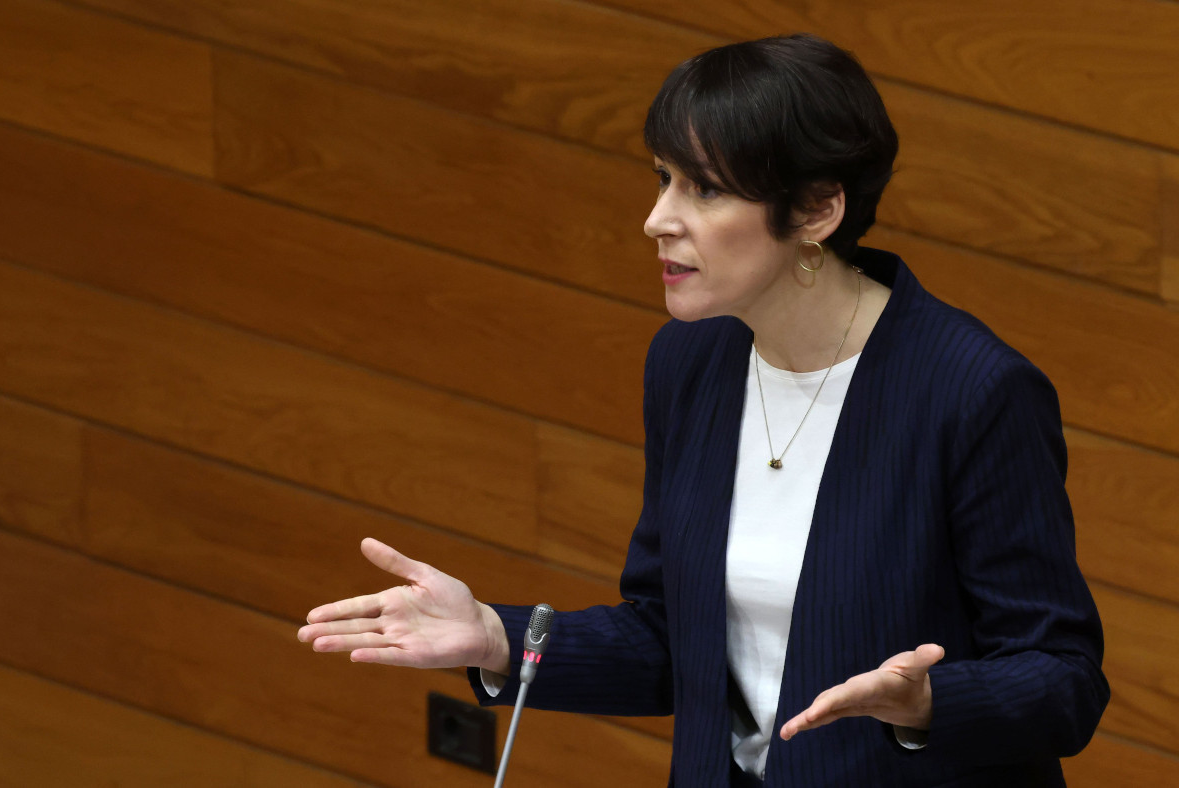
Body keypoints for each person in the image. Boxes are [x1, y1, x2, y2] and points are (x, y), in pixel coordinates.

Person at [297, 34, 1107, 787]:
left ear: (818, 211)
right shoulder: (693, 361)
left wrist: (927, 703)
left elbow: (1064, 678)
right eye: (663, 179)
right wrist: (497, 637)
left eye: (705, 188)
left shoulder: (970, 390)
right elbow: (666, 639)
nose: (658, 219)